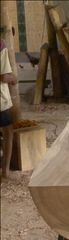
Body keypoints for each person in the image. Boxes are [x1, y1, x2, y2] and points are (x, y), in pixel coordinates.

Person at [0, 37, 17, 178]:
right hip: (0, 101)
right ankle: (5, 171)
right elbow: (4, 76)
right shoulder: (0, 44)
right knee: (7, 132)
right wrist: (13, 78)